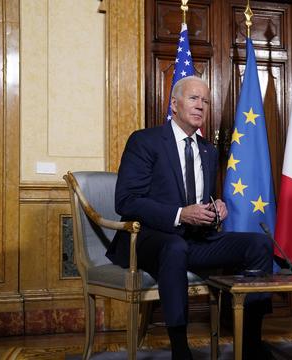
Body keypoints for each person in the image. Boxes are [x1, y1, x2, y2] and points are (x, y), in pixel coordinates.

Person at [107, 76, 274, 360]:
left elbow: (198, 200)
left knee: (259, 244)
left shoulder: (208, 151)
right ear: (174, 104)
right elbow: (126, 200)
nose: (201, 106)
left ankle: (251, 343)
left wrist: (216, 208)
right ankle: (180, 349)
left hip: (197, 239)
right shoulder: (145, 141)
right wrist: (180, 214)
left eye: (206, 101)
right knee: (175, 247)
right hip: (149, 239)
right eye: (194, 99)